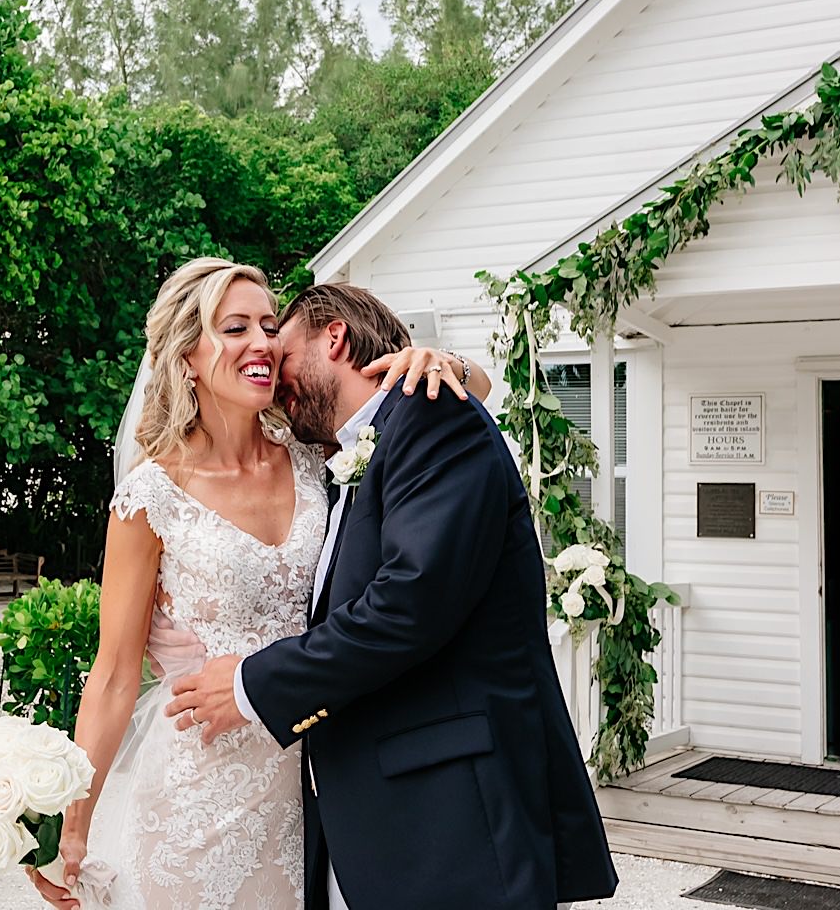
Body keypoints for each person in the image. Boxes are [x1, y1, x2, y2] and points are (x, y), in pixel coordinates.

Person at [27, 259, 490, 910]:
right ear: (187, 356)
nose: (263, 343)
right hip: (195, 794)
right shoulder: (149, 498)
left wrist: (447, 366)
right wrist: (72, 828)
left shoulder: (315, 454)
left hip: (311, 789)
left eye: (269, 325)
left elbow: (462, 401)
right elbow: (113, 675)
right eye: (236, 326)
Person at [165, 283, 618, 910]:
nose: (275, 370)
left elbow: (408, 603)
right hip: (371, 818)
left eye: (284, 348)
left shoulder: (432, 415)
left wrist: (249, 685)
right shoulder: (345, 454)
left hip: (452, 821)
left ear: (335, 338)